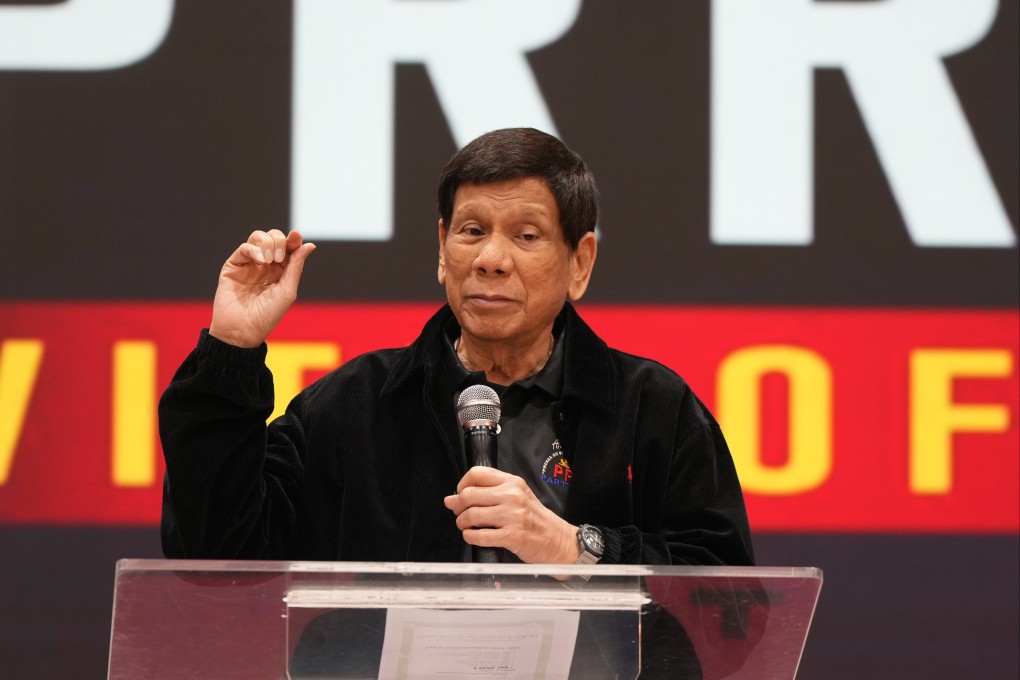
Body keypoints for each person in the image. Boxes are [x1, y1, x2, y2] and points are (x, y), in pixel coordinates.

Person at [159, 127, 754, 569]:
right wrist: (232, 345)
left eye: (526, 235)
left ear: (581, 261)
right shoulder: (352, 405)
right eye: (472, 231)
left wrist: (574, 548)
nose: (491, 259)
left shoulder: (651, 407)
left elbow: (728, 605)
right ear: (443, 249)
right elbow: (216, 552)